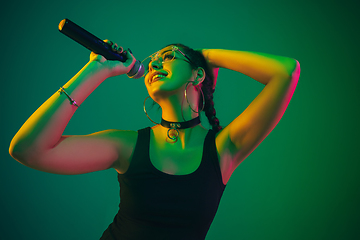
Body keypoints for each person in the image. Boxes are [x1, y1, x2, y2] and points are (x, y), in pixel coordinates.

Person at [9, 41, 300, 239]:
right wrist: (96, 71)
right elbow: (28, 149)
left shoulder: (224, 149)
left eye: (169, 56)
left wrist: (207, 55)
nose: (154, 64)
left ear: (198, 75)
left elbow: (286, 72)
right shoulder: (128, 145)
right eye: (151, 63)